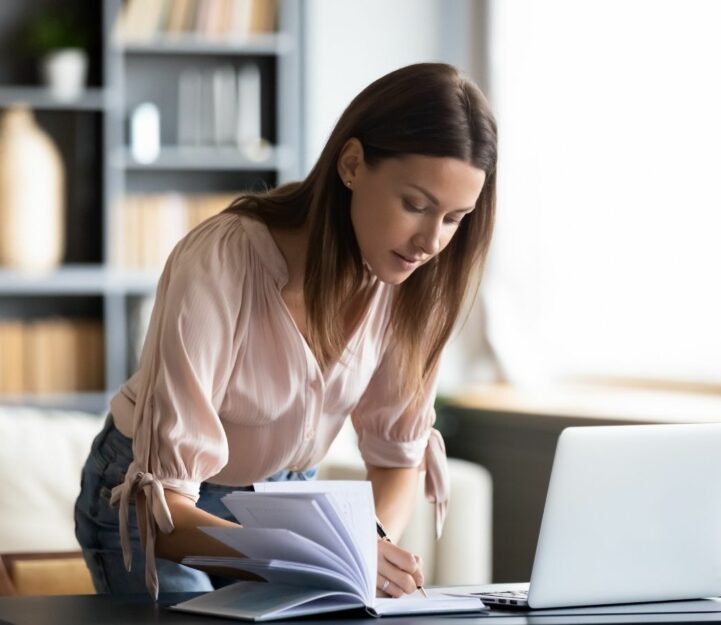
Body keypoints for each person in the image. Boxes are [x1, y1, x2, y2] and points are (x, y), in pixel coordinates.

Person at [74, 62, 498, 600]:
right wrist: (305, 555)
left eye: (454, 218)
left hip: (280, 503)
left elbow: (398, 463)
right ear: (351, 163)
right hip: (157, 504)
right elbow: (165, 510)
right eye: (415, 205)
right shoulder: (223, 261)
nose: (431, 241)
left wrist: (363, 546)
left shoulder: (413, 281)